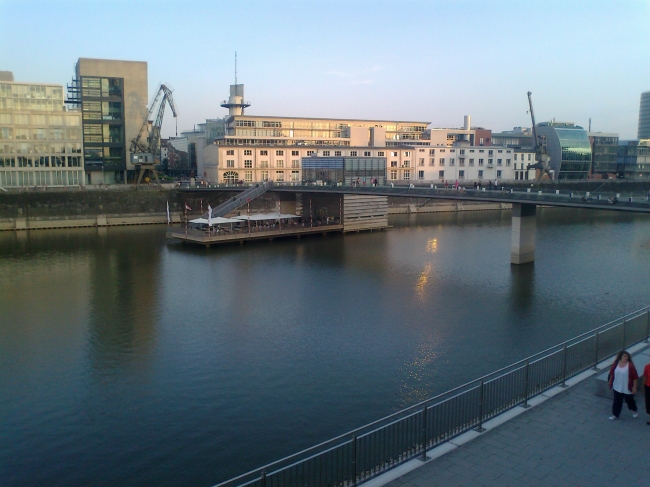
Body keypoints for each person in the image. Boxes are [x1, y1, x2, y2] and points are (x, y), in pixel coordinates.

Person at [608, 350, 639, 420]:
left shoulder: (630, 366)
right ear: (620, 357)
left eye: (627, 356)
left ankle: (634, 409)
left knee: (629, 400)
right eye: (624, 356)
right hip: (617, 386)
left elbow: (635, 377)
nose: (626, 358)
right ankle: (615, 414)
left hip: (627, 387)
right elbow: (612, 373)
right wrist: (610, 381)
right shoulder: (616, 363)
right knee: (617, 401)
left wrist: (634, 388)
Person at [643, 360, 650, 425]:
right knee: (648, 402)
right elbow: (645, 376)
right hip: (648, 386)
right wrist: (643, 385)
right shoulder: (647, 366)